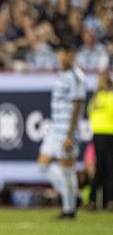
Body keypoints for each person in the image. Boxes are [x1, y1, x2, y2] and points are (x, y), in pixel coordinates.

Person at [37, 44, 86, 218]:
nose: (62, 57)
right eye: (60, 53)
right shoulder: (61, 75)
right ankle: (72, 195)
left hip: (67, 130)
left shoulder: (76, 76)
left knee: (66, 170)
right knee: (43, 164)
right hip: (55, 128)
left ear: (72, 55)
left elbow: (77, 105)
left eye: (65, 54)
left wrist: (70, 135)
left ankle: (69, 209)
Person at [86, 71, 113, 210]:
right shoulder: (111, 97)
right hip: (109, 134)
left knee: (100, 168)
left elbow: (90, 115)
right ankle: (109, 201)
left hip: (97, 135)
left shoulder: (95, 100)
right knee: (109, 168)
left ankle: (92, 200)